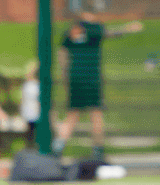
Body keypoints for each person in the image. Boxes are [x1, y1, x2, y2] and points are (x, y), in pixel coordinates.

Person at [53, 9, 143, 158]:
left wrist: (66, 76)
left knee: (73, 114)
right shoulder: (95, 29)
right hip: (91, 77)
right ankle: (97, 150)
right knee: (96, 114)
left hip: (75, 77)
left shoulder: (71, 30)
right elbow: (110, 33)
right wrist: (128, 28)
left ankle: (58, 147)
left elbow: (62, 54)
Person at [20, 59, 40, 146]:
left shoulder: (28, 85)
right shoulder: (33, 85)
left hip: (31, 113)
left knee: (31, 134)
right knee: (32, 134)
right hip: (33, 113)